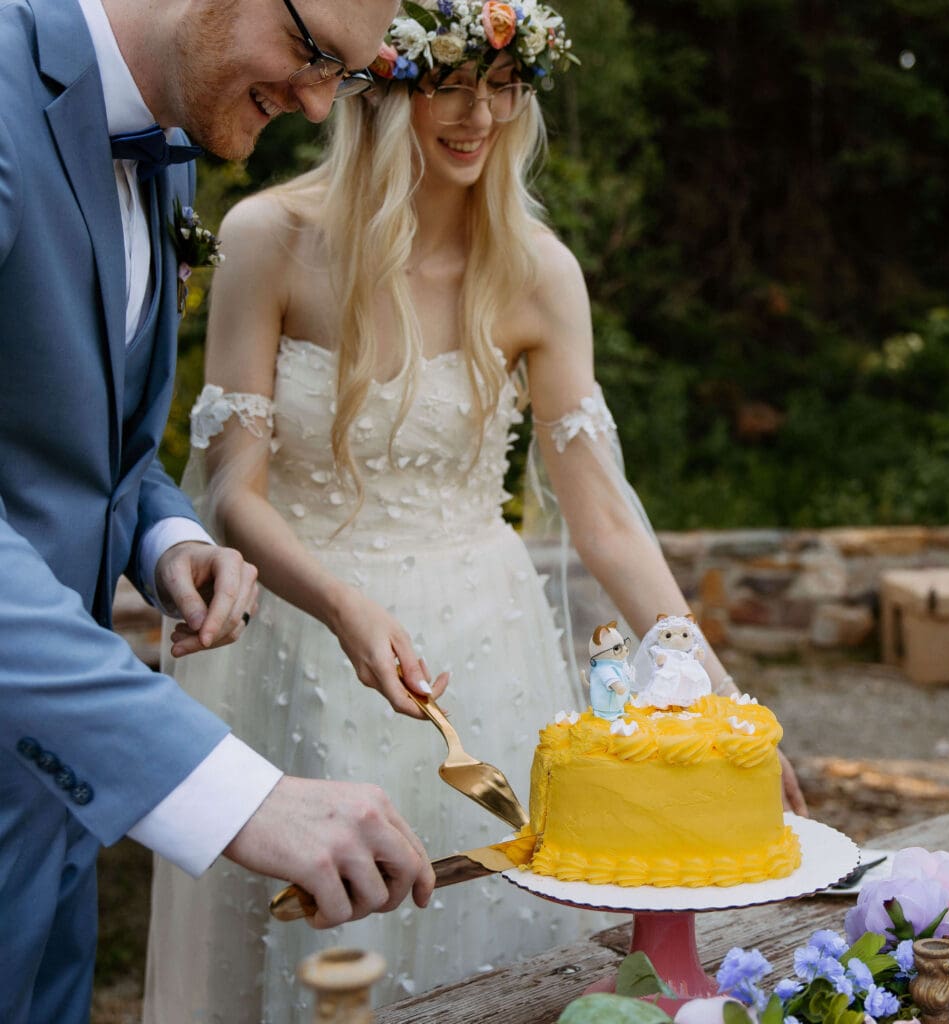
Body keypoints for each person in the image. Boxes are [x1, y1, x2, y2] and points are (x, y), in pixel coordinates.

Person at [144, 1, 808, 1016]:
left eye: (503, 86)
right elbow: (233, 490)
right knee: (327, 947)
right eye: (449, 87)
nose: (480, 116)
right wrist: (342, 606)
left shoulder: (537, 270)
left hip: (485, 646)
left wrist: (724, 705)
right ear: (375, 92)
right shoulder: (268, 238)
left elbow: (604, 520)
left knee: (488, 936)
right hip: (304, 639)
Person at [0, 1, 443, 1021]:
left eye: (346, 73)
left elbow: (84, 444)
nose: (320, 104)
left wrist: (166, 537)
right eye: (312, 52)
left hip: (53, 805)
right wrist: (233, 792)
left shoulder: (172, 148)